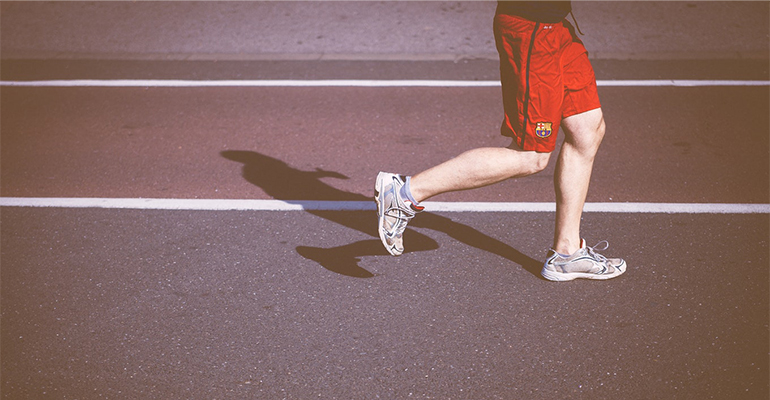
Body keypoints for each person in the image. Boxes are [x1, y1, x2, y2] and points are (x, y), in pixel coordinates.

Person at [374, 1, 626, 282]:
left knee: (587, 130)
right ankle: (405, 193)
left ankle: (566, 253)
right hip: (532, 28)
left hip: (556, 27)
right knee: (532, 155)